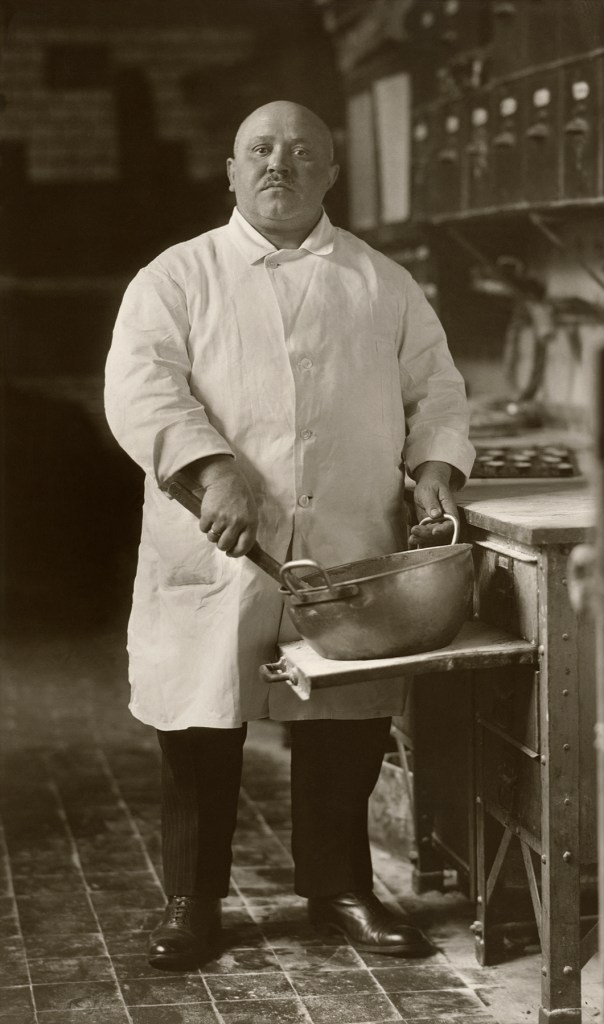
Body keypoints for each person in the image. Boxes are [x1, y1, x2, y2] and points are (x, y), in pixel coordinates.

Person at [105, 100, 475, 971]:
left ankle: (341, 887)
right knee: (200, 718)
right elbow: (141, 390)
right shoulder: (177, 277)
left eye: (303, 151)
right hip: (218, 541)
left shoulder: (381, 282)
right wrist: (210, 468)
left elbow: (439, 394)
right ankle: (193, 900)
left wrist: (435, 471)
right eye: (260, 150)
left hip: (349, 539)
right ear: (230, 172)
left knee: (344, 721)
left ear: (332, 172)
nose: (281, 164)